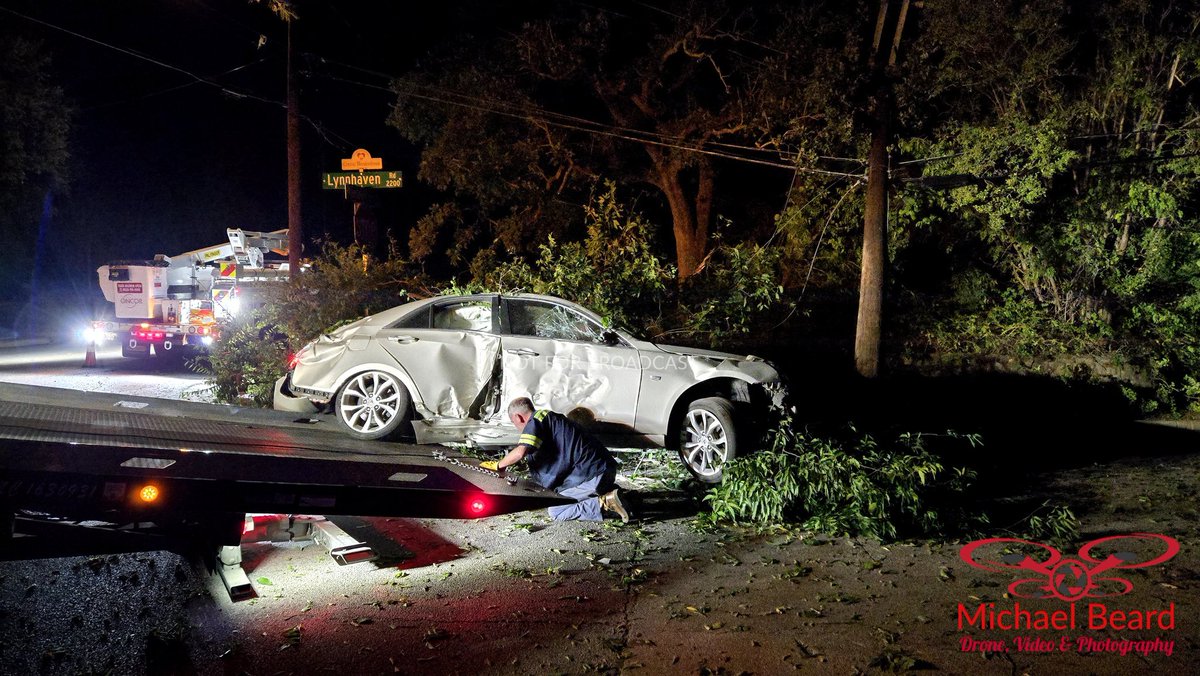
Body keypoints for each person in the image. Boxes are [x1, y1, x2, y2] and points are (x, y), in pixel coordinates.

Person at [481, 397, 631, 523]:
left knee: (556, 510)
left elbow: (520, 452)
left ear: (518, 418)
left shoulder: (536, 419)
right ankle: (618, 495)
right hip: (605, 470)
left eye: (515, 424)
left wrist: (498, 465)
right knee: (559, 496)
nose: (518, 429)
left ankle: (604, 503)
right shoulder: (555, 421)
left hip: (592, 475)